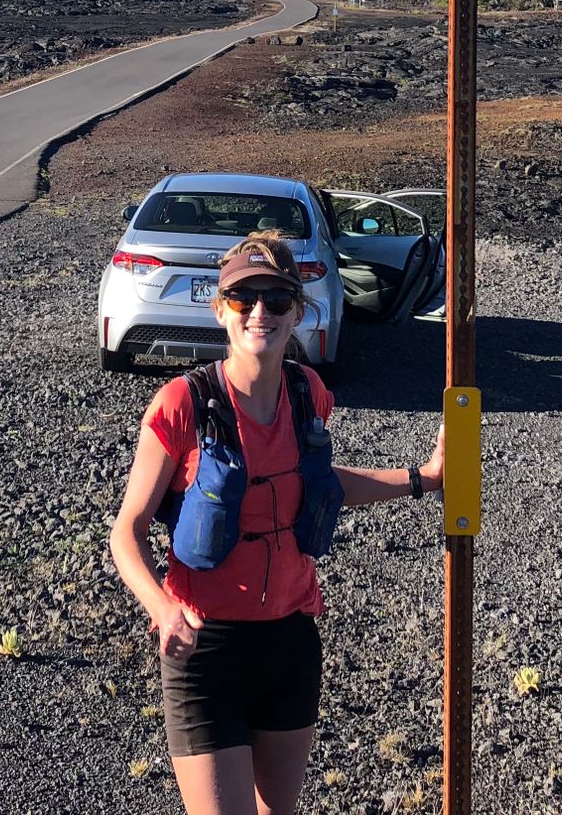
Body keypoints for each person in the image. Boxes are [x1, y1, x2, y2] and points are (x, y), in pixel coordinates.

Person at [109, 231, 445, 815]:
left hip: (290, 641)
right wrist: (162, 609)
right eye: (243, 299)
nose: (259, 311)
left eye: (276, 299)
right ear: (221, 310)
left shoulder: (307, 391)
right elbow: (127, 531)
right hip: (204, 647)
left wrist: (422, 478)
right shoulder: (182, 403)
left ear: (297, 311)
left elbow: (319, 486)